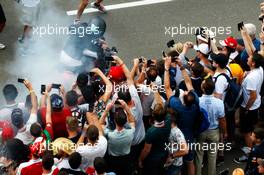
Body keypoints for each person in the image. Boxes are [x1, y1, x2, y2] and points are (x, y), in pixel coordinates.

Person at [195, 78, 227, 175]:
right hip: (214, 131)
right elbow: (222, 120)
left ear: (203, 89)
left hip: (200, 131)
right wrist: (224, 132)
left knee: (199, 155)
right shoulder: (219, 102)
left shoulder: (198, 101)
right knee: (212, 155)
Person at [100, 99, 136, 175]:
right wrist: (126, 107)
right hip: (126, 159)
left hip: (113, 160)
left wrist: (106, 110)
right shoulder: (131, 132)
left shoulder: (110, 134)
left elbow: (100, 124)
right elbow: (132, 121)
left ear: (115, 121)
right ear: (126, 120)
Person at [138, 104, 171, 175]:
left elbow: (146, 150)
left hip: (153, 160)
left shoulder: (151, 132)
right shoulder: (168, 120)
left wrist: (140, 160)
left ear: (153, 115)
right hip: (164, 154)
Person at [11, 80, 38, 145]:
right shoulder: (31, 125)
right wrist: (30, 88)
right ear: (23, 118)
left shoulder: (16, 139)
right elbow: (34, 106)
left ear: (12, 123)